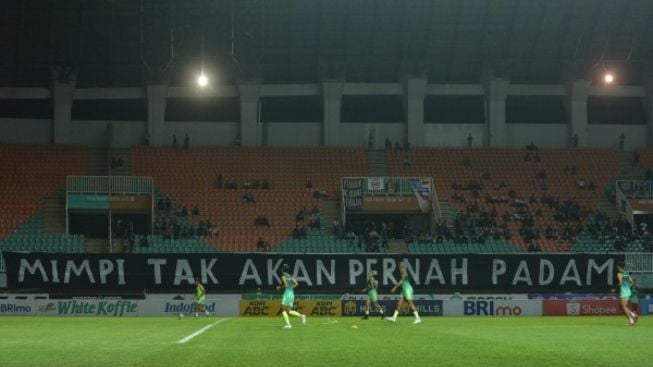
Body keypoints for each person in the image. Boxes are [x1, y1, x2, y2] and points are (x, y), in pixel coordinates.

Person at [275, 264, 306, 329]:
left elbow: (286, 285)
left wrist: (279, 287)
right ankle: (301, 316)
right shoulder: (291, 276)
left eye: (282, 268)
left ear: (282, 269)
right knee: (289, 310)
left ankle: (288, 324)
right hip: (292, 294)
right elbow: (297, 284)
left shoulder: (283, 276)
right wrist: (291, 287)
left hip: (287, 294)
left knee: (283, 310)